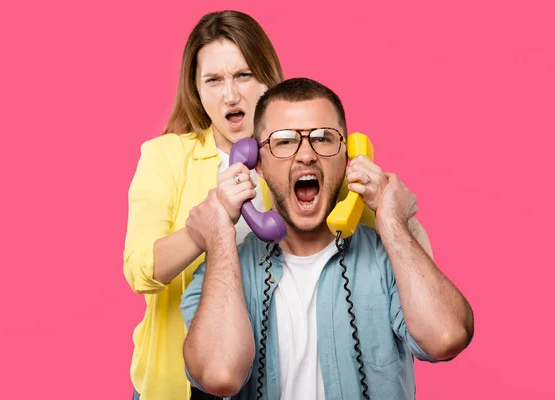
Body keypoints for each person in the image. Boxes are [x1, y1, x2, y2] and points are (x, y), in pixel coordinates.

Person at [123, 10, 436, 400]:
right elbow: (140, 272)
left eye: (243, 75)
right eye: (213, 80)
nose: (231, 95)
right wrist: (201, 230)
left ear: (269, 76)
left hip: (269, 374)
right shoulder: (165, 156)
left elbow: (392, 245)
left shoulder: (307, 152)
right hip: (182, 379)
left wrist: (393, 207)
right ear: (196, 90)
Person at [180, 78, 475, 399]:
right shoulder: (224, 269)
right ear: (257, 164)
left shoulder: (385, 256)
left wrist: (391, 219)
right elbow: (220, 374)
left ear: (348, 156)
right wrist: (221, 229)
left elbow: (447, 336)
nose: (306, 155)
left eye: (323, 138)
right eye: (284, 141)